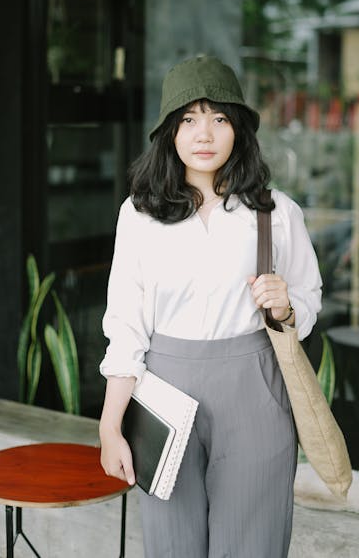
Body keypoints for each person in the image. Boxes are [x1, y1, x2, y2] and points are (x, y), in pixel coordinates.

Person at [99, 55, 322, 558]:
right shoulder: (138, 215)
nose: (205, 133)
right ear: (169, 133)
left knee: (253, 544)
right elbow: (127, 329)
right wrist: (110, 425)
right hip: (162, 392)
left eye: (219, 118)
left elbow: (309, 297)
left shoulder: (276, 212)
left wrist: (286, 306)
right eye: (189, 119)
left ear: (238, 129)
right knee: (171, 544)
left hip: (254, 391)